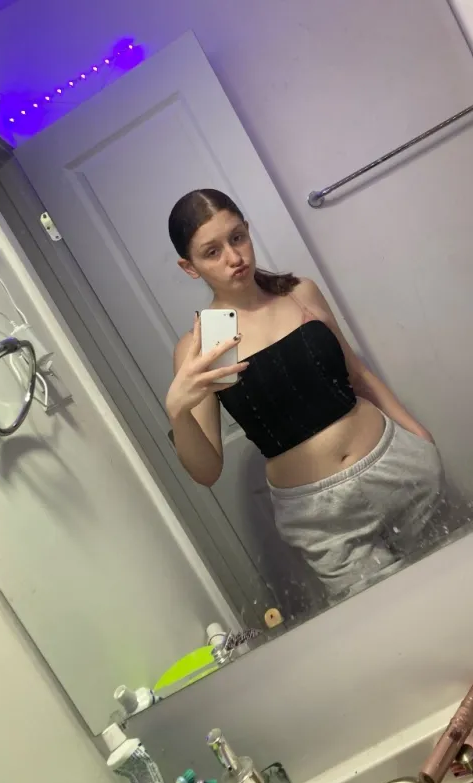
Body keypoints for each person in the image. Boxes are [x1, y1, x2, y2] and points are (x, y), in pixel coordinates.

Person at [166, 188, 444, 601]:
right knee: (390, 618)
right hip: (321, 519)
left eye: (237, 237)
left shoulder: (299, 292)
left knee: (455, 580)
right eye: (212, 252)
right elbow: (207, 471)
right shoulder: (204, 343)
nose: (234, 257)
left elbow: (358, 373)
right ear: (189, 267)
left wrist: (418, 436)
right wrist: (177, 411)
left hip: (396, 465)